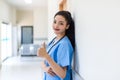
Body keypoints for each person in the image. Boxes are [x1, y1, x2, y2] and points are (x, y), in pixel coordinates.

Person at [37, 10, 75, 80]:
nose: (56, 25)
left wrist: (45, 55)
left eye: (61, 23)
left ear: (67, 26)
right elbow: (44, 62)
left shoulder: (64, 44)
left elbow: (63, 74)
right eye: (55, 22)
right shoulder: (54, 40)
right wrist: (45, 68)